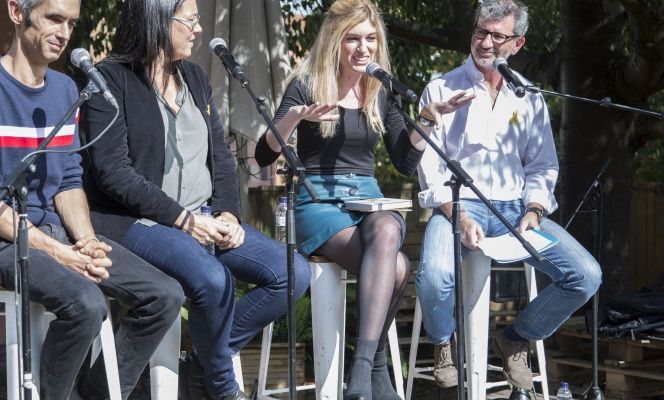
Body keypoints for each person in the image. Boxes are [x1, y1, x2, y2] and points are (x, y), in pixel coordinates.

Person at [0, 0, 184, 399]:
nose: (64, 33)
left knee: (164, 295)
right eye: (54, 18)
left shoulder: (66, 89)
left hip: (52, 230)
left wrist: (85, 240)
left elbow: (68, 181)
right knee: (86, 304)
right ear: (17, 12)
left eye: (71, 23)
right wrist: (61, 253)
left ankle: (94, 394)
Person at [78, 1, 312, 399]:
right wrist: (185, 220)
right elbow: (112, 172)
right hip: (138, 222)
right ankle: (221, 389)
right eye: (190, 21)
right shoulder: (109, 80)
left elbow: (220, 156)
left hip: (205, 217)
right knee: (211, 278)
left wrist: (228, 213)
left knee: (292, 273)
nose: (198, 30)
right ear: (156, 19)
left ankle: (205, 361)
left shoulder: (195, 79)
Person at [255, 1, 469, 398]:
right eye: (352, 39)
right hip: (318, 200)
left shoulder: (380, 88)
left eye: (370, 39)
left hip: (367, 200)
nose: (363, 48)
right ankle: (371, 371)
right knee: (400, 268)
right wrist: (295, 118)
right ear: (335, 41)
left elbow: (405, 160)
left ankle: (361, 370)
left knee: (389, 228)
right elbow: (264, 154)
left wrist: (425, 120)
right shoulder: (306, 83)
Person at [415, 0, 602, 390]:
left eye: (496, 36)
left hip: (516, 208)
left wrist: (534, 209)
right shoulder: (439, 88)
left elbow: (542, 166)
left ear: (516, 44)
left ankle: (515, 339)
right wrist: (459, 217)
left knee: (585, 275)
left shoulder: (529, 96)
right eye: (480, 32)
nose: (484, 42)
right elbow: (429, 170)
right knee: (434, 276)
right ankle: (443, 341)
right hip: (459, 205)